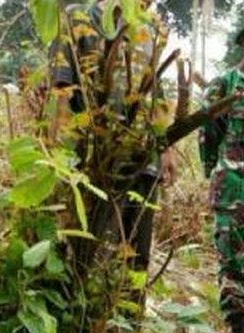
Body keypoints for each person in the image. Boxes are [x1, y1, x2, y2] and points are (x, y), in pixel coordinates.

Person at [50, 0, 177, 284]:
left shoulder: (151, 28)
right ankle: (88, 321)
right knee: (89, 253)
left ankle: (128, 326)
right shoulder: (78, 18)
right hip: (95, 160)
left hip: (142, 161)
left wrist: (165, 147)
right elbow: (60, 90)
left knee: (135, 255)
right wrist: (58, 154)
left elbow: (153, 89)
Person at [200, 13, 244, 333]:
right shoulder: (226, 84)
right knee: (235, 263)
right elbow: (208, 134)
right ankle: (241, 331)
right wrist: (218, 172)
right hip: (235, 192)